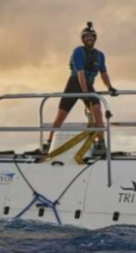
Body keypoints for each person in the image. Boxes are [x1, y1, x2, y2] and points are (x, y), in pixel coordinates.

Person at [45, 21, 117, 154]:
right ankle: (48, 143)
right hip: (74, 83)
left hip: (88, 84)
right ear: (83, 39)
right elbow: (80, 73)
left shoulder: (100, 55)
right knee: (61, 115)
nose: (89, 38)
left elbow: (104, 73)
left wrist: (110, 87)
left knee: (97, 111)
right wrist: (84, 92)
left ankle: (100, 143)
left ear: (95, 39)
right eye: (86, 36)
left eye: (91, 36)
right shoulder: (78, 51)